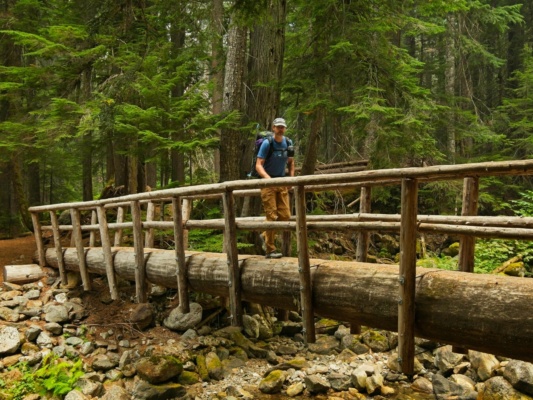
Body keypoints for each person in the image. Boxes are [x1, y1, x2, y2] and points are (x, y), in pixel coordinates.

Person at [255, 117, 295, 258]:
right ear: (273, 128)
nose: (280, 129)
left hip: (281, 182)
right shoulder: (267, 143)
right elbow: (259, 164)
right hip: (268, 183)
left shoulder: (289, 143)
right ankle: (270, 250)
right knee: (271, 216)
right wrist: (268, 180)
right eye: (278, 127)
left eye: (282, 127)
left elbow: (291, 163)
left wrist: (291, 178)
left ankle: (265, 235)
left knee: (285, 216)